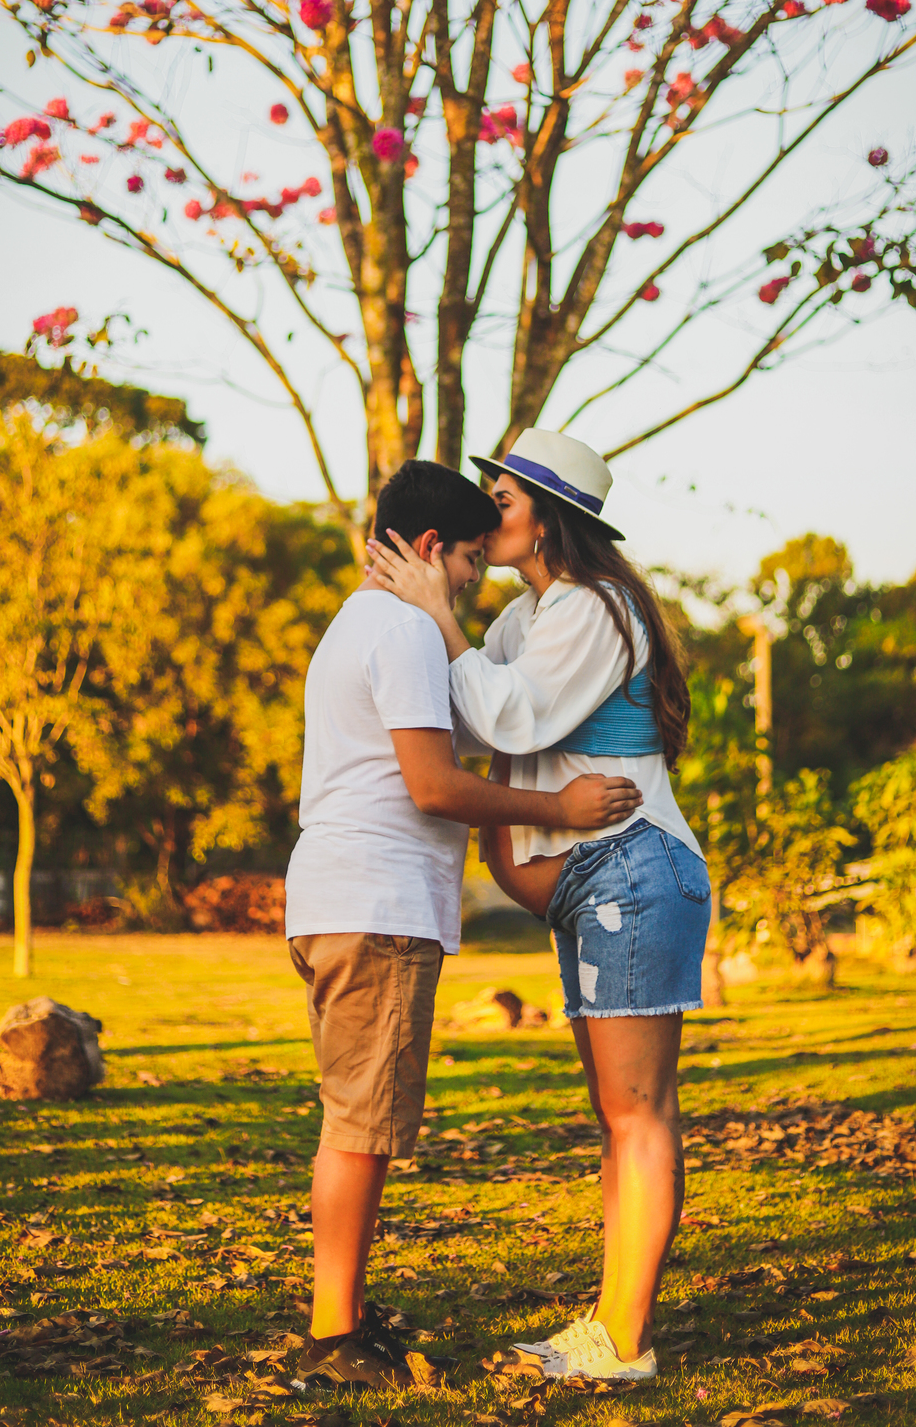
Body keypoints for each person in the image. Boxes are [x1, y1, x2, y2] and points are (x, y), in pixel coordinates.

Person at [286, 457, 643, 1392]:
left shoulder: (359, 622)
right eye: (471, 562)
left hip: (341, 897)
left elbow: (477, 731)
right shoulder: (403, 628)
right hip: (375, 904)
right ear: (431, 547)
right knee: (360, 1126)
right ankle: (332, 1336)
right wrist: (559, 810)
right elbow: (434, 786)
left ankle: (344, 1313)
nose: (477, 581)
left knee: (356, 1118)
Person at [366, 428, 709, 1386]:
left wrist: (439, 614)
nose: (488, 511)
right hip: (599, 880)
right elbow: (469, 702)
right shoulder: (532, 617)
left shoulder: (595, 607)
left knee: (638, 1113)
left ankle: (625, 1344)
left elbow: (506, 716)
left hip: (633, 868)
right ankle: (613, 1325)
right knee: (619, 1114)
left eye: (504, 497)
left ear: (549, 519)